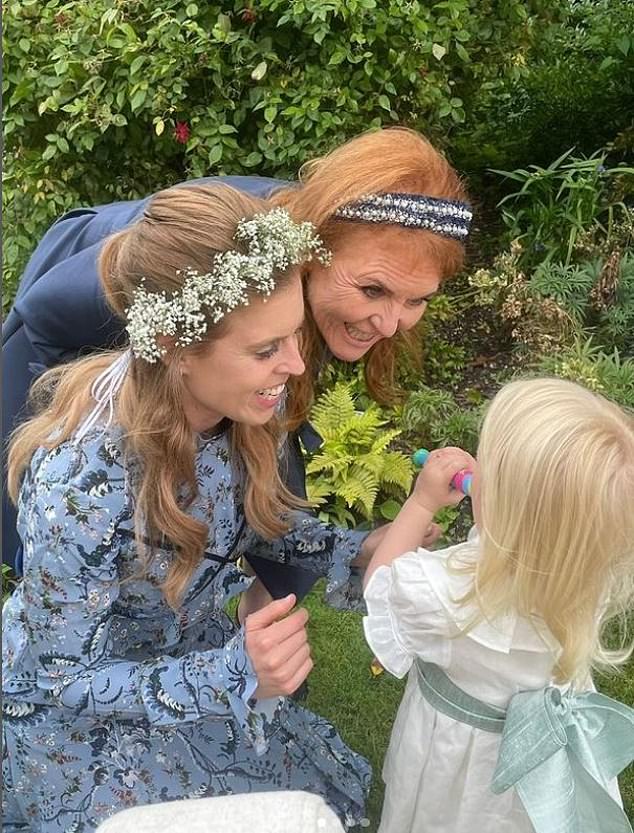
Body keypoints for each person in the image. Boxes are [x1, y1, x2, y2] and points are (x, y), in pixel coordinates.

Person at [2, 184, 372, 833]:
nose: (293, 364)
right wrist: (230, 672)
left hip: (181, 650)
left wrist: (358, 551)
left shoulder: (239, 405)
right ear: (175, 346)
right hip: (79, 717)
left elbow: (257, 525)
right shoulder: (79, 489)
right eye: (266, 349)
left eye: (294, 337)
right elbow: (66, 679)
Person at [2, 127, 472, 604]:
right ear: (314, 250)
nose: (392, 325)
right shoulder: (213, 262)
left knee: (252, 474)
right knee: (75, 538)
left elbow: (270, 456)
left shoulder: (295, 293)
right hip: (52, 349)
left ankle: (253, 619)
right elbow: (43, 316)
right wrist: (62, 463)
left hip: (197, 362)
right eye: (373, 291)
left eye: (417, 300)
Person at [361, 378, 634, 833]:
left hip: (460, 762)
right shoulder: (588, 572)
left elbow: (379, 586)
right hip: (543, 759)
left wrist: (421, 503)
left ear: (508, 511)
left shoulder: (451, 591)